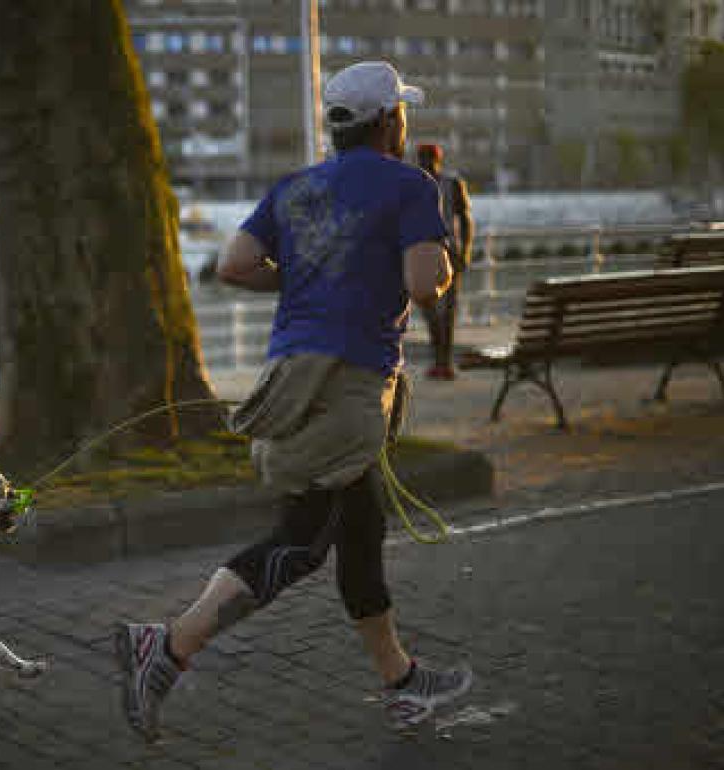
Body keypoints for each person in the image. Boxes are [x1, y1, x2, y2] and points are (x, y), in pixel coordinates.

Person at [114, 61, 472, 743]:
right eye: (401, 111)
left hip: (288, 379)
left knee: (360, 531)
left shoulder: (295, 187)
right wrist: (445, 265)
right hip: (348, 384)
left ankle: (400, 682)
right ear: (389, 122)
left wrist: (310, 280)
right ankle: (168, 647)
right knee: (302, 542)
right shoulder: (410, 184)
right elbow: (424, 282)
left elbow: (234, 265)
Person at [415, 143, 474, 380]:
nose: (425, 164)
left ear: (437, 160)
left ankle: (444, 361)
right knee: (429, 308)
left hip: (447, 252)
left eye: (428, 159)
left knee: (447, 311)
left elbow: (465, 219)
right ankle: (439, 359)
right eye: (422, 159)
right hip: (424, 252)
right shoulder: (414, 186)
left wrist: (465, 251)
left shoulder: (453, 184)